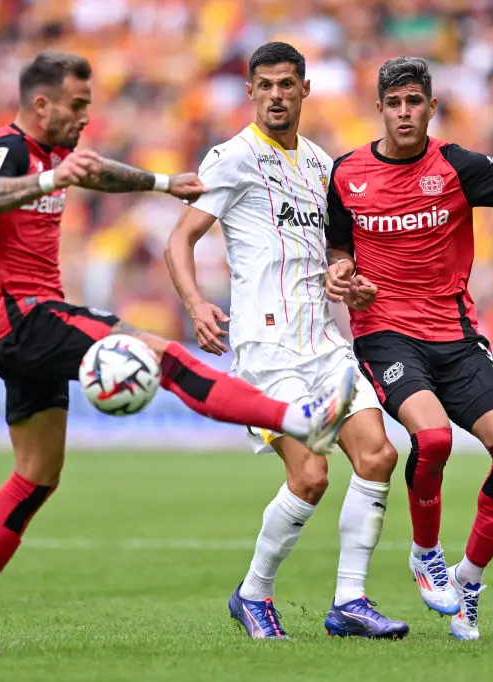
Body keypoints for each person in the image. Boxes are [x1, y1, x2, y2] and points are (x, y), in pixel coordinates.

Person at [0, 51, 357, 655]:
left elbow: (95, 171)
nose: (85, 116)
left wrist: (161, 184)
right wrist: (52, 179)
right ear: (42, 104)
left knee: (36, 475)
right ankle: (298, 419)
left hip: (14, 335)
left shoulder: (58, 153)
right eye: (77, 105)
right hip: (26, 316)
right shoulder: (7, 146)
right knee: (162, 355)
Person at [323, 56, 493, 640]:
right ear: (380, 108)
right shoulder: (346, 173)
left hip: (456, 335)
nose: (405, 112)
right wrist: (344, 275)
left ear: (432, 106)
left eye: (415, 102)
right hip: (385, 332)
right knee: (432, 438)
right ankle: (426, 553)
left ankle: (469, 578)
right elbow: (337, 249)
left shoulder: (458, 166)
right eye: (394, 103)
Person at [165, 42, 407, 640]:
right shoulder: (232, 158)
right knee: (312, 476)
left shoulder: (322, 165)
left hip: (323, 343)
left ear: (304, 90)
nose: (276, 94)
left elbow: (334, 254)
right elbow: (180, 239)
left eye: (286, 84)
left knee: (378, 456)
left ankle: (350, 601)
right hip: (267, 351)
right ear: (251, 92)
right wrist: (196, 304)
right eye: (265, 85)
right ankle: (253, 594)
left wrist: (346, 278)